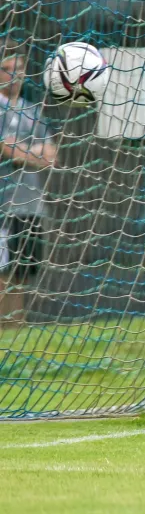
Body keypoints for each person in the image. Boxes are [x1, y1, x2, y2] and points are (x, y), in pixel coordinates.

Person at [0, 41, 56, 322]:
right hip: (3, 203)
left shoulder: (32, 110)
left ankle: (16, 326)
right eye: (8, 69)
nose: (15, 74)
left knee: (23, 269)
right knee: (3, 270)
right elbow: (6, 149)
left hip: (29, 203)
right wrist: (27, 151)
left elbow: (51, 155)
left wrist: (24, 153)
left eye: (19, 69)